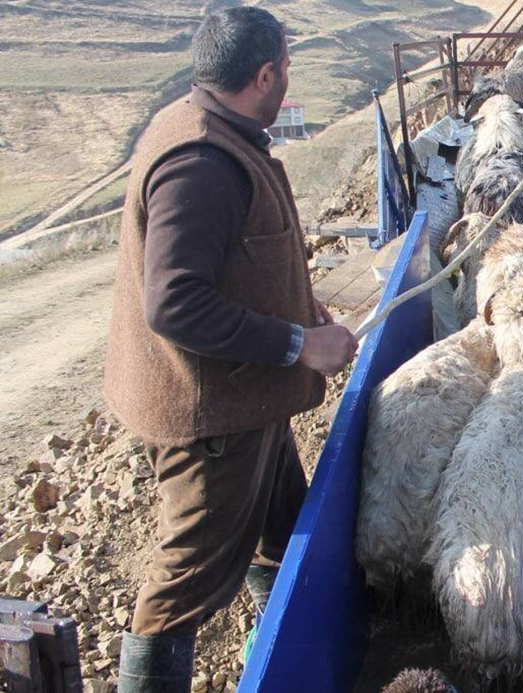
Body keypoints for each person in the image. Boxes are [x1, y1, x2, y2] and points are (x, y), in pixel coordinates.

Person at [103, 7, 357, 691]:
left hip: (248, 397)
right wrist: (300, 341)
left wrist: (299, 310)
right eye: (287, 71)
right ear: (266, 73)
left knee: (282, 521)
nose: (287, 83)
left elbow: (236, 259)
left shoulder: (211, 126)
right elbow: (174, 301)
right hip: (210, 415)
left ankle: (280, 642)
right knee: (181, 581)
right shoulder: (200, 162)